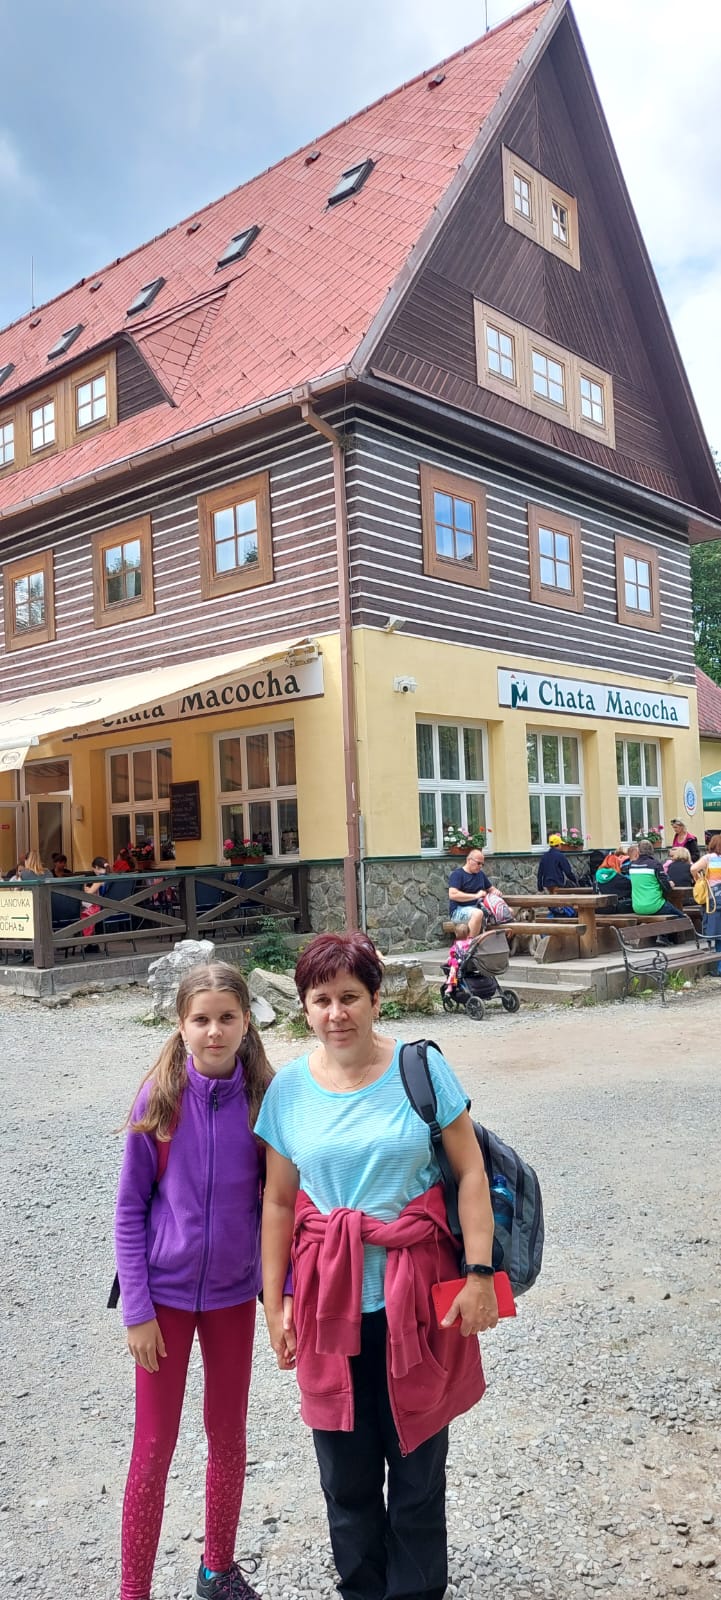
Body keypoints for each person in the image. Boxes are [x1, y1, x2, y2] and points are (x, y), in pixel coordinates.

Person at [257, 931, 496, 1600]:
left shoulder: (421, 1069)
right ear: (305, 1007)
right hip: (325, 1304)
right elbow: (278, 1202)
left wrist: (479, 1275)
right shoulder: (288, 1091)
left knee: (417, 1469)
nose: (337, 1013)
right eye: (322, 999)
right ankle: (362, 1589)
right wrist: (273, 1303)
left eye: (350, 997)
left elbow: (471, 1173)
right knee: (345, 1474)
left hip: (415, 1298)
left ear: (375, 1000)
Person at [114, 962, 270, 1600]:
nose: (214, 1031)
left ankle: (218, 1569)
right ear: (180, 1026)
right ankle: (133, 1590)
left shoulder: (262, 1101)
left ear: (246, 1021)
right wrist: (136, 1311)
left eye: (227, 1017)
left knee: (227, 1437)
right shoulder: (159, 1100)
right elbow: (129, 1209)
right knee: (153, 1447)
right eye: (201, 1019)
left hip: (233, 1297)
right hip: (165, 1301)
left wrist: (280, 1294)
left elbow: (279, 1204)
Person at [628, 840, 685, 937]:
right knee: (682, 918)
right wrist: (670, 884)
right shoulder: (655, 865)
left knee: (669, 914)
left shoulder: (632, 866)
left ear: (638, 851)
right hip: (655, 906)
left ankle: (662, 936)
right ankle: (664, 936)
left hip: (637, 907)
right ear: (652, 851)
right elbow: (666, 887)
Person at [691, 833, 721, 975]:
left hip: (714, 899)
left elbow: (693, 869)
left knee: (718, 933)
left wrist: (699, 878)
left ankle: (719, 968)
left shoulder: (709, 858)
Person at [447, 846, 492, 936]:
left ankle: (504, 942)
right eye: (478, 863)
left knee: (508, 912)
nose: (480, 866)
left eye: (482, 864)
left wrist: (496, 892)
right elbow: (453, 895)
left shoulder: (480, 874)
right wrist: (476, 896)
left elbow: (491, 888)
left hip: (478, 907)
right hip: (458, 911)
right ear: (469, 860)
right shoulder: (457, 874)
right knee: (478, 914)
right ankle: (470, 943)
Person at [81, 855, 109, 938]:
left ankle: (86, 936)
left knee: (80, 906)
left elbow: (89, 892)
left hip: (99, 905)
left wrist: (85, 888)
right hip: (107, 904)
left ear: (96, 867)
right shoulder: (107, 876)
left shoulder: (99, 878)